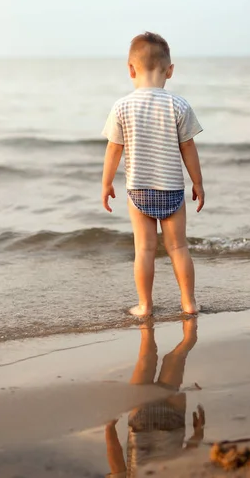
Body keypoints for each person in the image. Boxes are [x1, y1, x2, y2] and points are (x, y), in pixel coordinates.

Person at [102, 32, 204, 316]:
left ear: (130, 70)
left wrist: (107, 182)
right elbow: (188, 147)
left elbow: (113, 149)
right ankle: (189, 303)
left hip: (139, 190)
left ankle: (145, 306)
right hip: (172, 190)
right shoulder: (179, 105)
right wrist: (198, 182)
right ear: (169, 71)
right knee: (179, 247)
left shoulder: (121, 106)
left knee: (144, 251)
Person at [104, 318, 205, 478]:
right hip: (159, 421)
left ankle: (153, 312)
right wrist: (110, 427)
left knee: (161, 357)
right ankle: (167, 312)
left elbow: (118, 468)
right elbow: (117, 466)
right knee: (153, 358)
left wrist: (109, 427)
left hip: (156, 420)